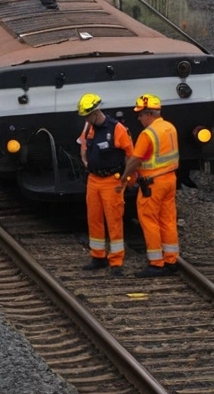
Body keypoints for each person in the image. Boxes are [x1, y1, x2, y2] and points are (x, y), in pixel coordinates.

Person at [118, 94, 180, 277]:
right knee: (168, 220)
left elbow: (135, 160)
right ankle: (171, 259)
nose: (138, 118)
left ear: (149, 114)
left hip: (153, 184)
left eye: (140, 115)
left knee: (149, 221)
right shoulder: (170, 127)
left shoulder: (148, 134)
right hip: (170, 180)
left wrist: (125, 178)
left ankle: (156, 263)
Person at [76, 93, 133, 276]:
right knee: (94, 219)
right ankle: (98, 257)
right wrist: (85, 160)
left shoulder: (117, 129)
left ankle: (116, 261)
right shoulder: (89, 128)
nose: (86, 119)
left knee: (114, 220)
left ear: (95, 112)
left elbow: (129, 153)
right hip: (94, 180)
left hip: (111, 180)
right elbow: (83, 145)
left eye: (88, 116)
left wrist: (125, 178)